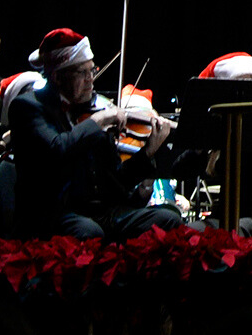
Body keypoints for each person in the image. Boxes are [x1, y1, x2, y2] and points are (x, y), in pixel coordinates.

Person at [10, 29, 180, 239]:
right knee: (89, 232)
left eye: (92, 70)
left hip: (101, 214)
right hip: (53, 214)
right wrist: (97, 121)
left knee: (169, 218)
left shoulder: (93, 111)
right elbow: (57, 148)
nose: (91, 79)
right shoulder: (28, 106)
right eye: (82, 73)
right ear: (57, 77)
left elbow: (116, 181)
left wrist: (148, 153)